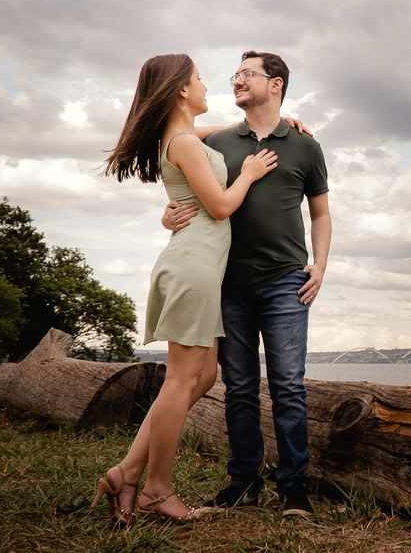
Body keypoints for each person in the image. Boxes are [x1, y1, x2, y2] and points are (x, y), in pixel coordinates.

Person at [94, 53, 278, 525]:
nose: (206, 85)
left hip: (201, 267)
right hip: (193, 266)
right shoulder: (182, 142)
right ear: (180, 89)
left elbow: (211, 132)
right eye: (198, 79)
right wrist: (250, 174)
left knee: (203, 377)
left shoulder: (180, 137)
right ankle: (156, 489)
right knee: (182, 379)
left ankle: (126, 473)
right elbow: (218, 207)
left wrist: (279, 121)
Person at [163, 50, 331, 518]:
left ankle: (293, 488)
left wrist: (320, 264)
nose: (236, 80)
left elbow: (320, 211)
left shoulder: (305, 146)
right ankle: (243, 484)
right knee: (237, 386)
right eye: (235, 74)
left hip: (286, 281)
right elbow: (176, 152)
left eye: (247, 74)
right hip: (227, 281)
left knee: (288, 386)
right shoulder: (217, 139)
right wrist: (167, 213)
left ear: (275, 84)